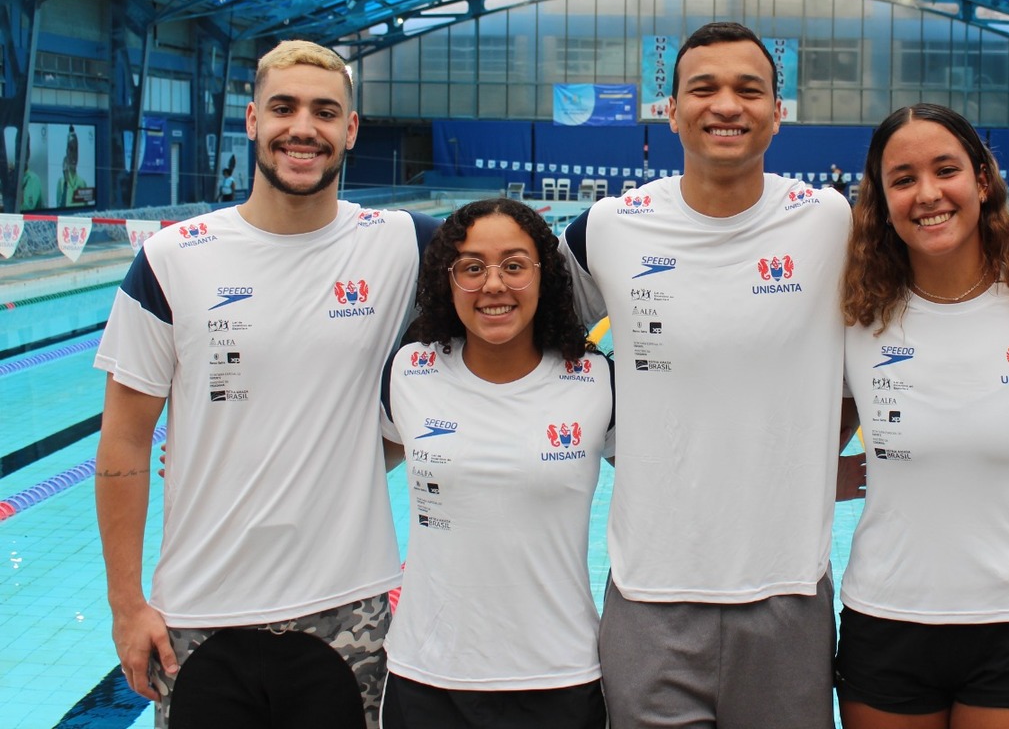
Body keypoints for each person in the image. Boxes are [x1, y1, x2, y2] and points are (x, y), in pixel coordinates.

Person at [94, 40, 439, 729]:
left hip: (348, 613)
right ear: (252, 120)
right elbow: (124, 443)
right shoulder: (171, 260)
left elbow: (520, 284)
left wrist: (375, 452)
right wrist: (127, 605)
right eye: (283, 108)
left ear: (350, 128)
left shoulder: (404, 243)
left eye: (323, 110)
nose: (302, 128)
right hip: (199, 613)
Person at [559, 21, 854, 728]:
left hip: (787, 590)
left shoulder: (829, 222)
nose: (727, 105)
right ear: (670, 110)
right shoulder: (606, 227)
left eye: (749, 90)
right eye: (705, 88)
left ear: (778, 115)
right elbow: (538, 344)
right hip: (648, 591)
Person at [836, 104, 1009, 729]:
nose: (927, 194)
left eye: (946, 170)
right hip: (888, 614)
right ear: (883, 201)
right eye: (902, 179)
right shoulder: (853, 319)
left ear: (982, 181)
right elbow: (799, 448)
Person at [380, 198, 612, 729]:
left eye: (514, 265)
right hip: (428, 677)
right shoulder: (410, 372)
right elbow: (345, 465)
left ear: (543, 275)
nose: (494, 284)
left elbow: (671, 468)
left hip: (561, 677)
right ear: (448, 278)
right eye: (472, 267)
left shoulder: (596, 380)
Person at [56, 124, 91, 207]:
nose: (74, 155)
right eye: (71, 149)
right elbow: (59, 211)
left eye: (76, 150)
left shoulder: (82, 183)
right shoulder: (61, 182)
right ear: (66, 152)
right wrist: (66, 183)